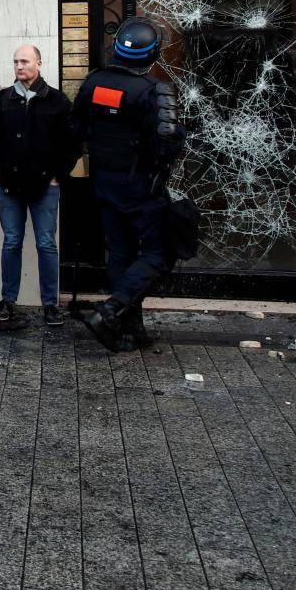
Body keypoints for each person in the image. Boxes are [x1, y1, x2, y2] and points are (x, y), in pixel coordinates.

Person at [70, 17, 185, 352]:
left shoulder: (95, 82)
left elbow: (76, 128)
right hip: (141, 187)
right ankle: (110, 310)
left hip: (105, 182)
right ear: (153, 53)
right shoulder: (154, 91)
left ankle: (129, 328)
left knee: (120, 251)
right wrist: (180, 135)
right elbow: (166, 146)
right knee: (157, 253)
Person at [0, 44, 78, 327]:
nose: (19, 66)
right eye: (15, 62)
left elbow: (71, 144)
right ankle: (8, 301)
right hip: (9, 186)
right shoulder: (2, 100)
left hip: (46, 185)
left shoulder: (57, 101)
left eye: (24, 61)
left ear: (39, 63)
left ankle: (50, 305)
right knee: (11, 242)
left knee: (46, 244)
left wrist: (58, 175)